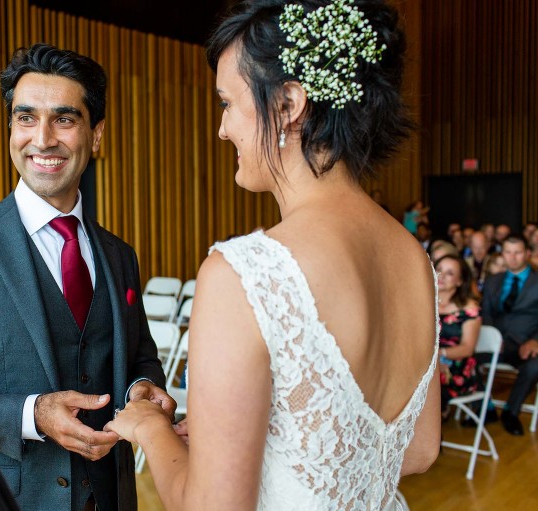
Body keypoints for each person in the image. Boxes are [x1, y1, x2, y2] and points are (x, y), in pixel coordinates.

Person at [105, 1, 440, 509]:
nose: (222, 130)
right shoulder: (415, 260)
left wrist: (151, 429)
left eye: (226, 103)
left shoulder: (247, 273)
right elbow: (418, 452)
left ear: (287, 104)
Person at [0, 43, 174, 510]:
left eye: (64, 120)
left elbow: (141, 359)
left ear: (97, 134)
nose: (42, 139)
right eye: (26, 118)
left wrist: (142, 389)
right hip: (2, 499)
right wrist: (30, 414)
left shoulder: (120, 255)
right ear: (11, 127)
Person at [480, 235, 538, 436]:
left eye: (518, 252)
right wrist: (490, 337)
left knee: (535, 365)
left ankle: (510, 412)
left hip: (522, 344)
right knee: (464, 357)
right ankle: (485, 408)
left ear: (528, 254)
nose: (512, 258)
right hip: (493, 343)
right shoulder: (493, 281)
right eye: (507, 252)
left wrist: (535, 341)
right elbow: (485, 313)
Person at [435, 255, 482, 421]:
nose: (441, 276)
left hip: (455, 365)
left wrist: (439, 355)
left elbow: (467, 348)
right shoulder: (423, 301)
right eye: (439, 269)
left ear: (460, 281)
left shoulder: (469, 308)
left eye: (449, 273)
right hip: (426, 363)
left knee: (428, 382)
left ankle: (430, 437)